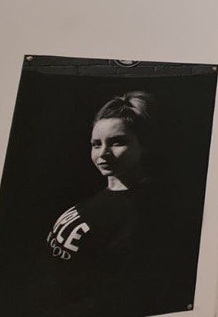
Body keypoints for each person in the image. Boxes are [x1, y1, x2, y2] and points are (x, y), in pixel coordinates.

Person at [43, 92, 175, 316]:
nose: (103, 153)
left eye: (117, 142)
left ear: (144, 144)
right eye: (96, 144)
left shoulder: (142, 213)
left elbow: (118, 297)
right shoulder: (104, 194)